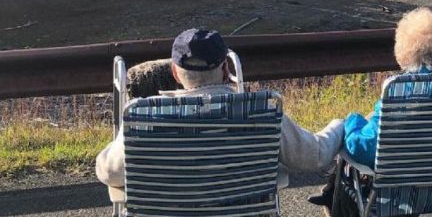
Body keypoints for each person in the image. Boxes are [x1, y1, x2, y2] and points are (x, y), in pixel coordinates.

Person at [96, 28, 344, 203]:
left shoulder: (145, 116)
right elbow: (313, 156)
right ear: (226, 68)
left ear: (174, 72)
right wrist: (340, 125)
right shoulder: (260, 110)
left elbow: (109, 173)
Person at [308, 7, 432, 210]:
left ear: (404, 51)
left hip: (407, 193)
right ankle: (330, 195)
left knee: (351, 156)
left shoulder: (402, 91)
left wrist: (352, 121)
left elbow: (363, 149)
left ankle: (333, 200)